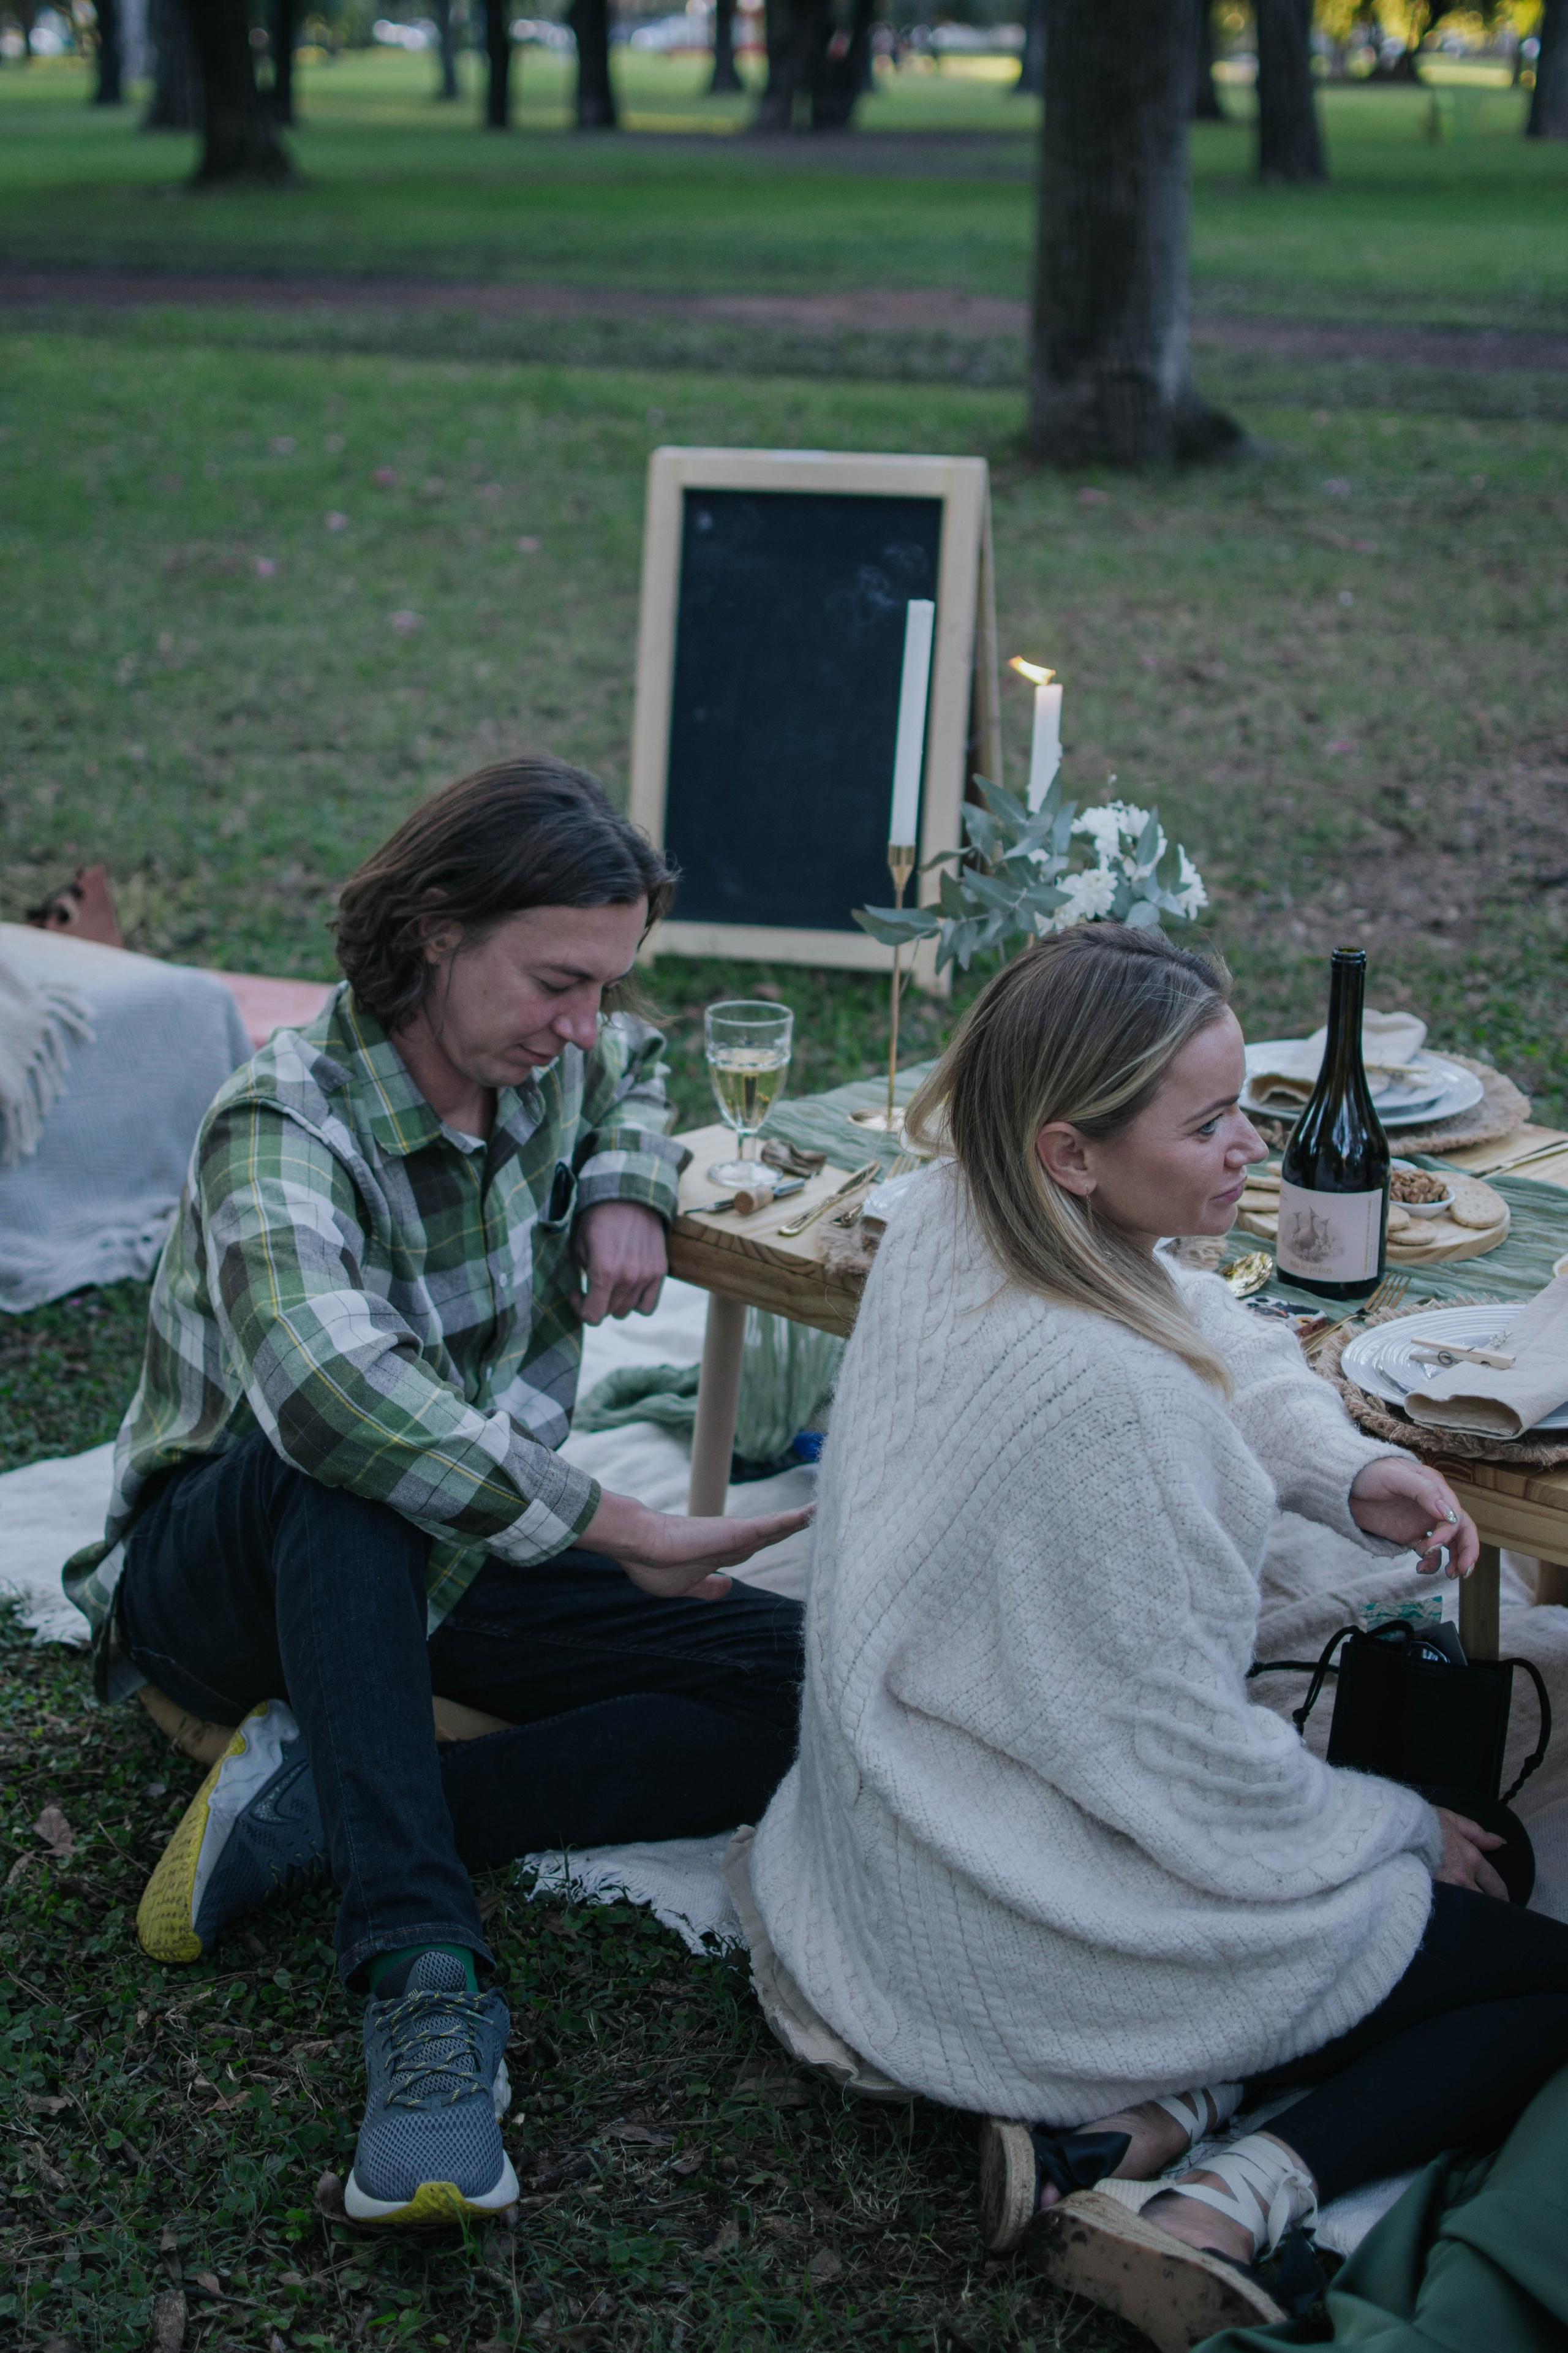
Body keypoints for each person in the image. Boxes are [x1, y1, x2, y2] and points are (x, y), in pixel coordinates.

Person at [744, 923, 1568, 2351]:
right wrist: (1390, 1829)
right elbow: (1183, 1765)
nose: (1251, 1144)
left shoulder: (955, 1208)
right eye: (1205, 1123)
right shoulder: (1120, 1415)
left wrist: (1335, 1463)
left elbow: (1194, 1314)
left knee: (1381, 1924)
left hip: (880, 1849)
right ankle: (1226, 2197)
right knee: (1537, 1969)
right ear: (1070, 1150)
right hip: (1019, 1928)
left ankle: (1136, 2128)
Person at [65, 757, 810, 2228]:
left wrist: (621, 1177)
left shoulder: (566, 1058)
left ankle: (323, 1806)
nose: (583, 1023)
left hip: (453, 1553)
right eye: (555, 982)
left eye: (604, 984)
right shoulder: (279, 1123)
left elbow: (647, 1067)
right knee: (349, 1470)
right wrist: (628, 1524)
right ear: (430, 934)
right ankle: (420, 1981)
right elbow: (337, 1404)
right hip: (226, 1570)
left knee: (793, 1685)